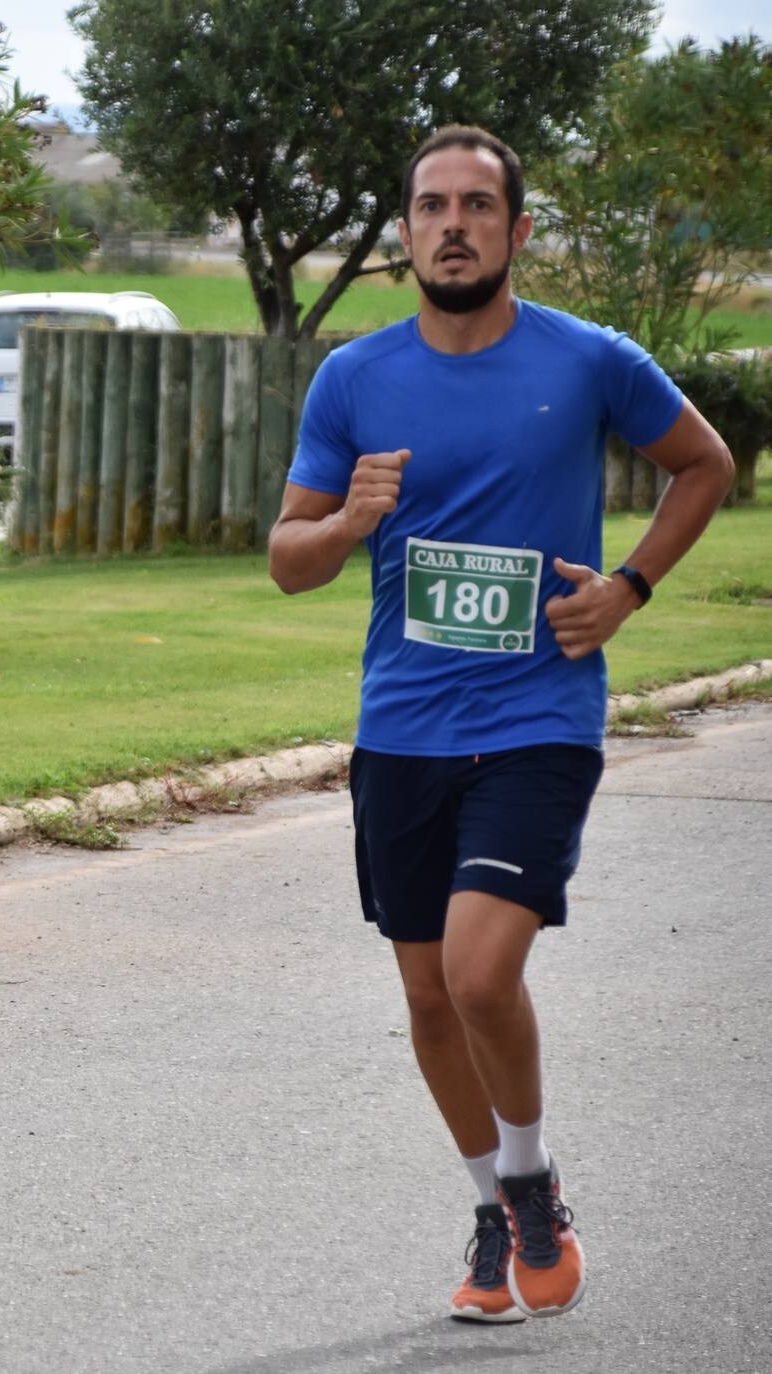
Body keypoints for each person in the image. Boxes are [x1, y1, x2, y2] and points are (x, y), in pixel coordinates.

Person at [270, 127, 733, 1321]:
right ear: (408, 235)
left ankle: (533, 1185)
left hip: (539, 716)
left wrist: (628, 589)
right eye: (432, 206)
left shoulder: (590, 359)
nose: (455, 224)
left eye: (480, 205)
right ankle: (491, 1202)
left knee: (481, 975)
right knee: (427, 997)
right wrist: (350, 522)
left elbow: (704, 464)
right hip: (402, 728)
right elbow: (287, 562)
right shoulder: (355, 379)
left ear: (519, 231)